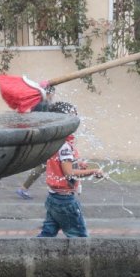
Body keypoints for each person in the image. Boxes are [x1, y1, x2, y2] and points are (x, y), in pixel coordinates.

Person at [36, 100, 103, 238]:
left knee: (47, 235)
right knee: (79, 238)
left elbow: (61, 166)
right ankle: (81, 260)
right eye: (72, 117)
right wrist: (93, 171)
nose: (76, 121)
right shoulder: (65, 146)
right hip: (65, 201)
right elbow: (69, 174)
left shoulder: (55, 141)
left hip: (53, 197)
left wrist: (78, 164)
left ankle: (31, 256)